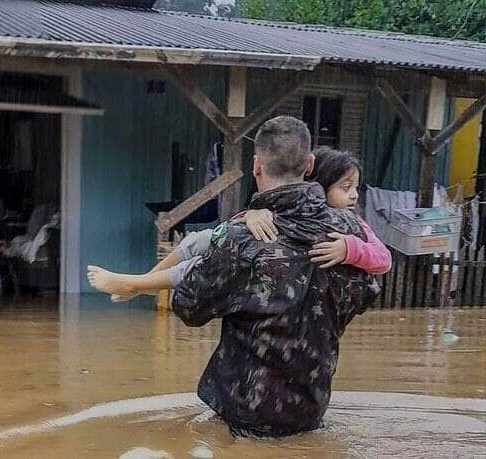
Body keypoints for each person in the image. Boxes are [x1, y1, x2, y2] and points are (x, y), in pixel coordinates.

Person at [97, 116, 380, 436]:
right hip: (312, 409)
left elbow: (190, 308)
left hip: (246, 411)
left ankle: (135, 282)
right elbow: (367, 291)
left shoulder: (241, 237)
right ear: (309, 163)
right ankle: (135, 282)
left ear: (257, 166)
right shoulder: (350, 231)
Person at [86, 147, 391, 300]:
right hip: (275, 275)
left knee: (205, 265)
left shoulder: (351, 226)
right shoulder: (282, 208)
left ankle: (136, 285)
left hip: (286, 284)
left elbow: (383, 259)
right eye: (345, 187)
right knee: (199, 241)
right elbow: (239, 227)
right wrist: (252, 214)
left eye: (355, 189)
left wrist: (350, 249)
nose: (353, 196)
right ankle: (144, 283)